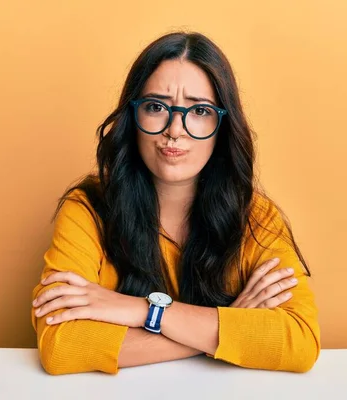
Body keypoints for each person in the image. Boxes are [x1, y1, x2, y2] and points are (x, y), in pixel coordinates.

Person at [31, 31, 320, 375]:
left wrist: (144, 311)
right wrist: (227, 329)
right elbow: (61, 345)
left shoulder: (258, 218)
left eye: (199, 110)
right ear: (132, 117)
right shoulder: (88, 209)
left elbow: (299, 342)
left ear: (222, 127)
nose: (175, 130)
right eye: (156, 107)